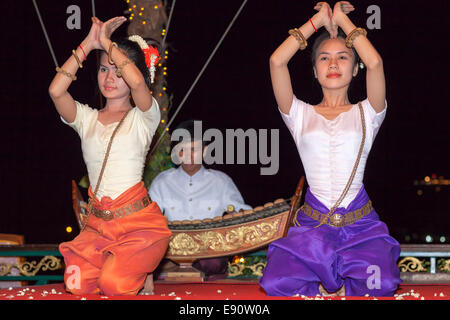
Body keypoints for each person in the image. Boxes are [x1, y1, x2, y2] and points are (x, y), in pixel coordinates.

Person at [259, 2, 401, 297]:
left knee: (381, 283)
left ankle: (339, 276)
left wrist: (343, 22)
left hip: (360, 226)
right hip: (313, 227)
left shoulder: (369, 111)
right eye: (324, 58)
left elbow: (375, 63)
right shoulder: (298, 114)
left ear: (355, 67)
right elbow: (276, 62)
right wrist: (317, 22)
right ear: (314, 70)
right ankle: (327, 274)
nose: (333, 65)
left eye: (342, 57)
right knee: (276, 283)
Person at [50, 16, 171, 296]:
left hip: (136, 225)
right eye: (104, 69)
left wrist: (106, 42)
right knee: (76, 286)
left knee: (113, 286)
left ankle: (138, 265)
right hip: (97, 226)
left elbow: (140, 85)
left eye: (118, 71)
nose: (109, 77)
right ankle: (125, 265)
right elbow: (56, 90)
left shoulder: (144, 116)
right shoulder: (86, 118)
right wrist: (89, 44)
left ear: (131, 74)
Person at [150, 120, 252, 279]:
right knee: (153, 259)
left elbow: (243, 212)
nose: (188, 156)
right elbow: (148, 219)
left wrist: (237, 217)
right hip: (171, 253)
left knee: (213, 262)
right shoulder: (162, 182)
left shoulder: (221, 182)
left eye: (194, 150)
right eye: (182, 150)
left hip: (209, 257)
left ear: (205, 151)